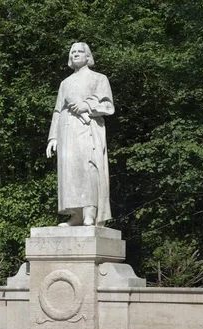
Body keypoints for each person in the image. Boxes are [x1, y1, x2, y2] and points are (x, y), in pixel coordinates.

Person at [46, 42, 114, 226]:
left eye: (79, 51)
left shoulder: (99, 79)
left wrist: (87, 106)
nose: (76, 54)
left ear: (87, 56)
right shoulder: (65, 83)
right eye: (72, 52)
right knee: (69, 172)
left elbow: (109, 106)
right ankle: (75, 214)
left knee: (88, 168)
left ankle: (89, 211)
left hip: (88, 130)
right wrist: (53, 137)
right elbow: (58, 111)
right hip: (66, 131)